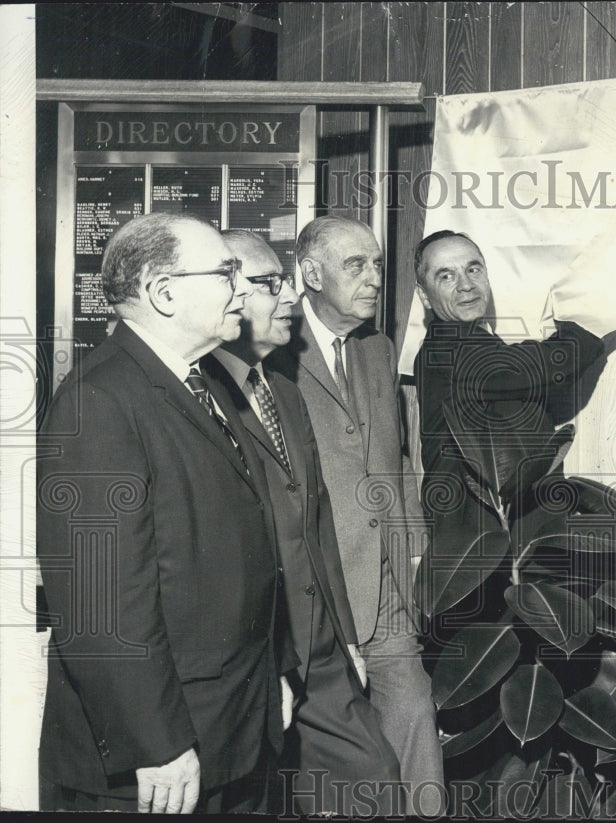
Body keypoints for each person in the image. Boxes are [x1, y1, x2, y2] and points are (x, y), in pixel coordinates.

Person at [36, 213, 282, 813]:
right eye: (226, 272)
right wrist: (158, 742)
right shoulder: (100, 401)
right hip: (162, 757)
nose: (242, 288)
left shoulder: (200, 385)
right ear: (163, 292)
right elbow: (99, 602)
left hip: (232, 727)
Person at [203, 230, 401, 815]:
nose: (287, 296)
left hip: (318, 636)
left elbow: (313, 523)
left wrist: (342, 637)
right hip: (254, 647)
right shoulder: (199, 393)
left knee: (374, 776)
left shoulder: (280, 389)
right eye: (271, 284)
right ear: (230, 295)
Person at [267, 216, 443, 815]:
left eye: (376, 265)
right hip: (314, 588)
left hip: (385, 582)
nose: (373, 279)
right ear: (310, 274)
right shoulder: (272, 346)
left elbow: (393, 458)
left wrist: (414, 545)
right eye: (355, 266)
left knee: (414, 714)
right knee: (334, 753)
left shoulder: (377, 347)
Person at [412, 230, 605, 575]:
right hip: (484, 549)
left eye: (473, 270)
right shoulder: (452, 349)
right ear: (425, 298)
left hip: (495, 542)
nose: (466, 285)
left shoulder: (467, 341)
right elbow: (559, 360)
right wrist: (582, 316)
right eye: (446, 276)